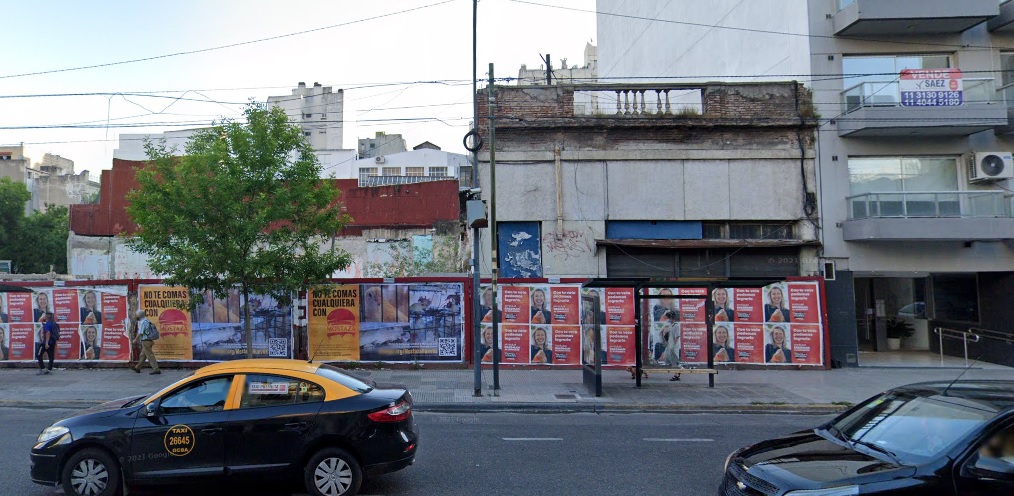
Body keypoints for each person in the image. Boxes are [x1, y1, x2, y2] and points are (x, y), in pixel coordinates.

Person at [132, 309, 160, 375]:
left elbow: (140, 332)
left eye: (136, 315)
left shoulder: (143, 322)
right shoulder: (147, 320)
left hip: (146, 341)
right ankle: (137, 368)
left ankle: (156, 369)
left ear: (139, 316)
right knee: (142, 355)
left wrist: (135, 339)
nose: (136, 316)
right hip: (148, 341)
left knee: (150, 356)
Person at [660, 310, 683, 381]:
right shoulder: (670, 326)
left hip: (673, 346)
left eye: (668, 318)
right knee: (671, 360)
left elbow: (677, 336)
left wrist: (673, 345)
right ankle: (678, 371)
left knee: (674, 360)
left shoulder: (676, 325)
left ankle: (677, 374)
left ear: (671, 318)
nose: (667, 319)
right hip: (670, 345)